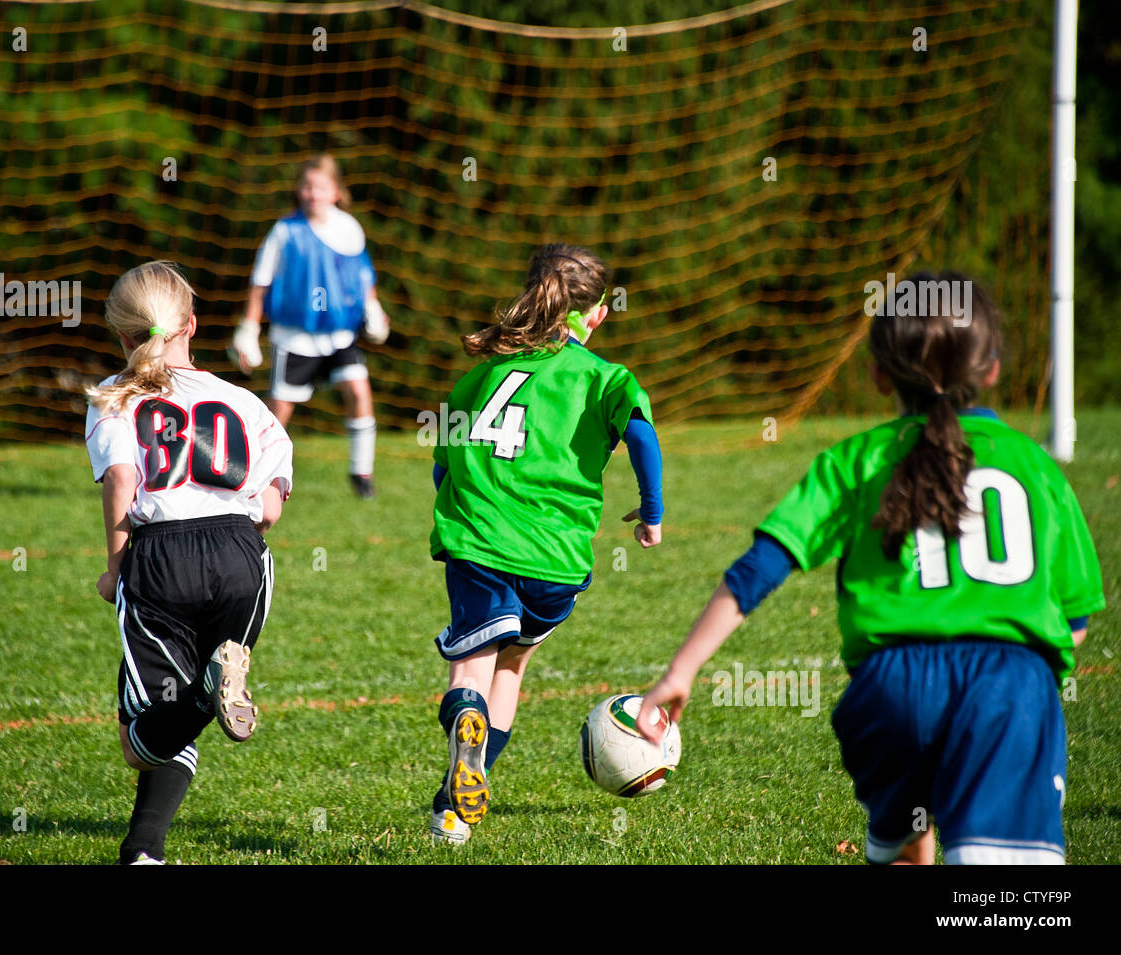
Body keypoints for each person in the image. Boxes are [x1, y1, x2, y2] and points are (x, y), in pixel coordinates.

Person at [636, 272, 1105, 865]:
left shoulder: (852, 461)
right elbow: (1077, 619)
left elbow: (761, 567)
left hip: (890, 691)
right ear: (991, 368)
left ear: (880, 373)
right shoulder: (1036, 467)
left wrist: (682, 671)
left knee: (907, 838)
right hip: (1007, 689)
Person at [427, 244, 665, 844]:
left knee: (472, 669)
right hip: (556, 559)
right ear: (599, 313)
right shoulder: (606, 377)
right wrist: (652, 510)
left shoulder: (481, 374)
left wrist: (462, 505)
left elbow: (443, 465)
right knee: (512, 666)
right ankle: (453, 816)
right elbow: (641, 433)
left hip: (481, 541)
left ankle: (467, 730)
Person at [85, 261, 293, 865]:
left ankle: (207, 696)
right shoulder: (242, 401)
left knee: (139, 738)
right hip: (242, 556)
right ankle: (143, 850)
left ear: (122, 336)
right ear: (193, 325)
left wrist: (116, 567)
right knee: (172, 701)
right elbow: (273, 500)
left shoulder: (112, 397)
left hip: (161, 561)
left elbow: (123, 476)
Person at [229, 153, 389, 498]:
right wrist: (248, 328)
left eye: (320, 187)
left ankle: (362, 475)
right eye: (306, 186)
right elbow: (261, 282)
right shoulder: (285, 231)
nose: (312, 193)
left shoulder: (349, 228)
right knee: (279, 411)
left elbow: (363, 277)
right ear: (299, 191)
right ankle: (251, 477)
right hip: (294, 338)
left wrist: (373, 308)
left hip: (340, 336)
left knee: (359, 392)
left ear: (335, 191)